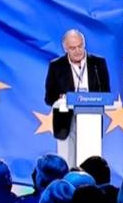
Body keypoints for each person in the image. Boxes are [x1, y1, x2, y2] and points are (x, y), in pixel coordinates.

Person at [44, 29, 111, 166]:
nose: (78, 50)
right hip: (65, 122)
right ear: (65, 49)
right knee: (67, 162)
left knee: (91, 163)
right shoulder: (56, 66)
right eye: (73, 48)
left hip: (91, 118)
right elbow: (48, 97)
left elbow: (106, 93)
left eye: (80, 46)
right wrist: (61, 98)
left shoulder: (98, 64)